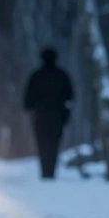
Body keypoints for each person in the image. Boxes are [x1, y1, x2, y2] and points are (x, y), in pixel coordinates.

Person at [23, 48, 74, 179]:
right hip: (57, 117)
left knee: (42, 145)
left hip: (41, 117)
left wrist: (35, 108)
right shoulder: (61, 75)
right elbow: (69, 97)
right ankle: (50, 171)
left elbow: (28, 101)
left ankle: (46, 171)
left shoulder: (37, 76)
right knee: (53, 144)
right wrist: (65, 115)